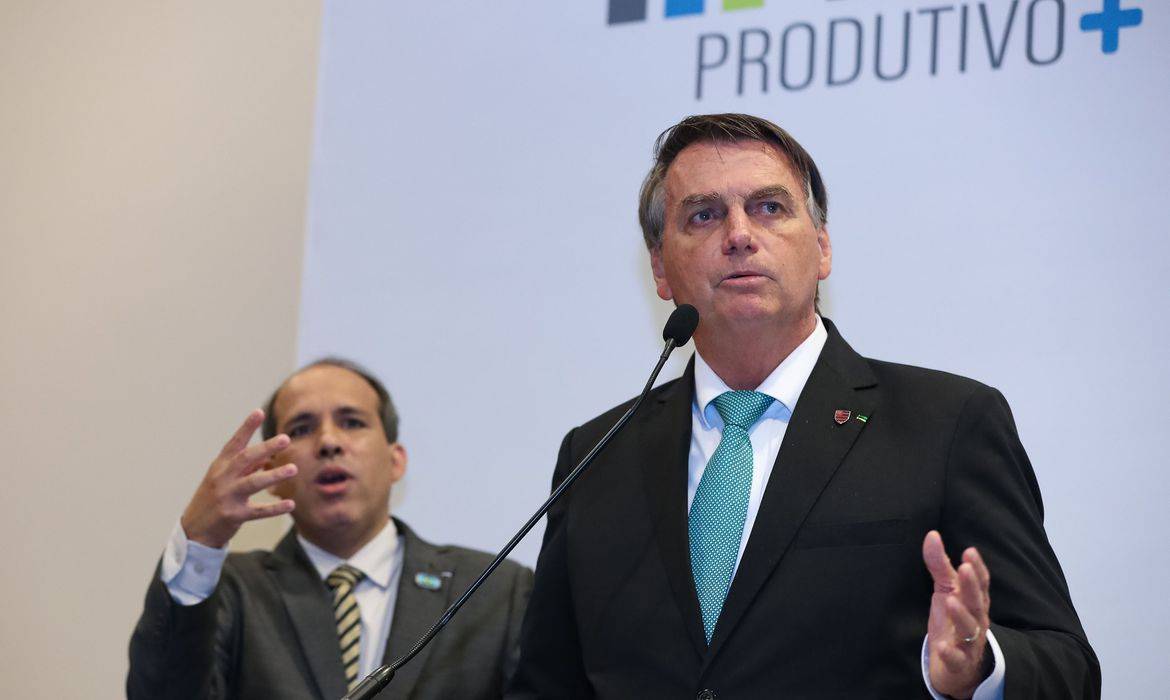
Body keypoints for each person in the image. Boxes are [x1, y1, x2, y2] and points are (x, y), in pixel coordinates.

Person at [507, 114, 1099, 699]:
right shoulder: (595, 456)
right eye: (704, 215)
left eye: (769, 207)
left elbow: (1067, 667)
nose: (739, 234)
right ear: (660, 268)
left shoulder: (947, 424)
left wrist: (978, 668)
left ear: (821, 248)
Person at [129, 358, 532, 700]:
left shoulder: (496, 590)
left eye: (352, 422)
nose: (328, 442)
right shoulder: (232, 591)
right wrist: (200, 542)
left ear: (396, 461)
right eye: (302, 429)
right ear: (273, 474)